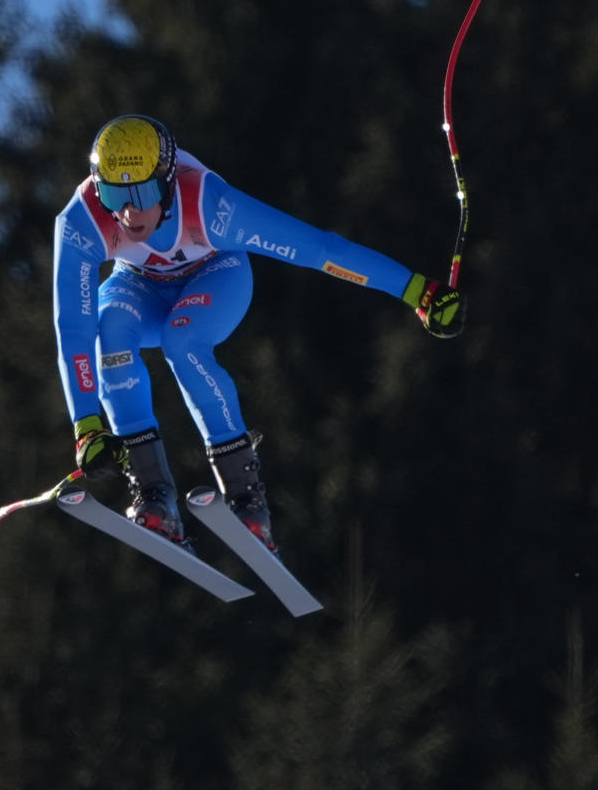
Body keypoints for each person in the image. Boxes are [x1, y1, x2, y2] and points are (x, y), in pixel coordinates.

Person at [53, 114, 464, 553]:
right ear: (99, 188)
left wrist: (418, 291)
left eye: (144, 193)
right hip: (137, 286)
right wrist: (87, 425)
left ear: (168, 182)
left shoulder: (209, 206)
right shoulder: (83, 221)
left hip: (215, 276)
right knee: (110, 327)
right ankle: (154, 497)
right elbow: (73, 326)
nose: (130, 212)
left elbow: (318, 250)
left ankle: (248, 501)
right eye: (116, 194)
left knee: (182, 342)